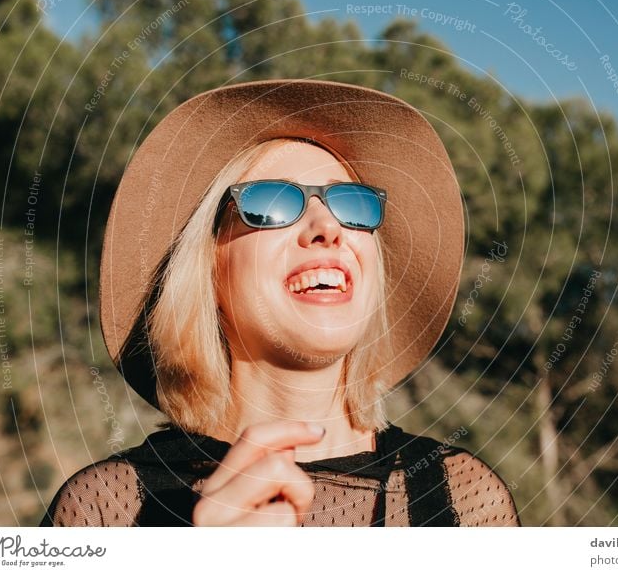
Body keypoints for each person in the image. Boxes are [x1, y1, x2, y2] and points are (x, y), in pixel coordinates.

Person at [39, 79, 520, 527]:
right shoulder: (109, 508)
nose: (327, 228)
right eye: (272, 201)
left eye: (352, 203)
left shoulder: (463, 500)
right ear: (208, 265)